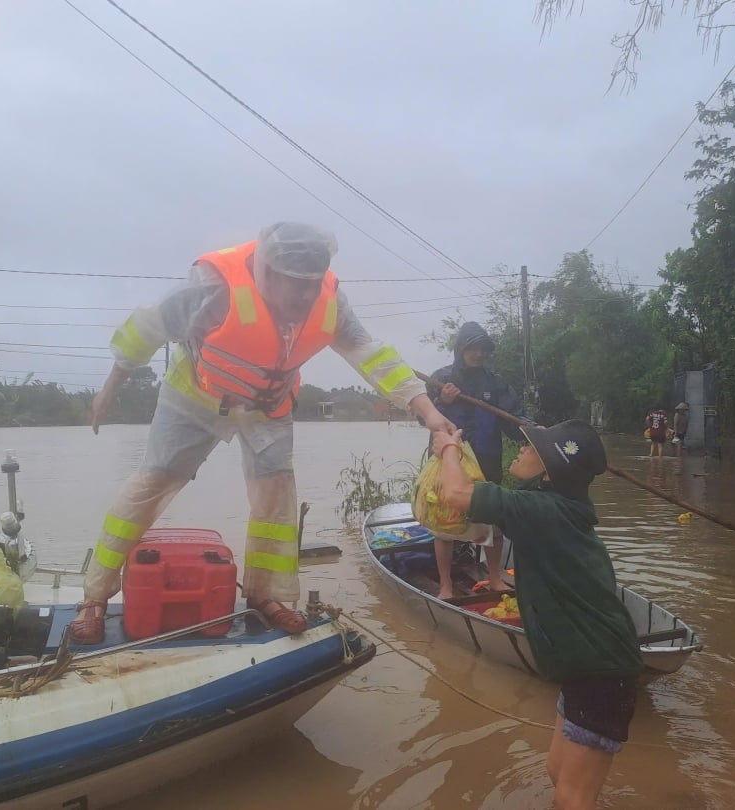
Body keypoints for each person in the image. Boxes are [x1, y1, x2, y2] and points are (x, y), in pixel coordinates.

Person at [71, 222, 456, 644]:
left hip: (267, 406)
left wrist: (429, 412)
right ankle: (94, 598)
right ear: (266, 272)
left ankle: (266, 596)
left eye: (313, 284)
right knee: (152, 483)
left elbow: (373, 355)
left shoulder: (329, 302)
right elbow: (144, 329)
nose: (307, 296)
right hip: (195, 396)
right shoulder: (212, 289)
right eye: (297, 285)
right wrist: (108, 390)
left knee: (276, 497)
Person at [432, 421, 641, 810]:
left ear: (548, 473)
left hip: (600, 671)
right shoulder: (554, 501)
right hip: (584, 668)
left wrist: (448, 449)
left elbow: (457, 495)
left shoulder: (543, 509)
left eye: (532, 450)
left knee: (572, 796)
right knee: (556, 773)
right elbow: (507, 489)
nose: (521, 451)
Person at [427, 322, 523, 599]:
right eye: (472, 348)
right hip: (449, 461)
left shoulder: (495, 382)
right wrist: (442, 401)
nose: (478, 354)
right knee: (444, 522)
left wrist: (533, 433)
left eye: (483, 349)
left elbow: (513, 419)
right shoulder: (441, 378)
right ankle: (445, 585)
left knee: (493, 519)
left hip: (487, 459)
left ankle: (494, 577)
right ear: (461, 349)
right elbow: (424, 418)